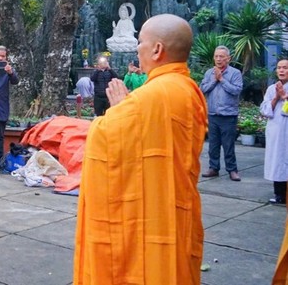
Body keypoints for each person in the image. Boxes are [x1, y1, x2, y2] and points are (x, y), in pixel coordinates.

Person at [73, 14, 208, 285]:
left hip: (150, 216)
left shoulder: (148, 97)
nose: (137, 48)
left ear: (157, 49)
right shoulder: (190, 90)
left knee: (148, 270)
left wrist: (120, 109)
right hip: (177, 205)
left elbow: (105, 141)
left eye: (141, 42)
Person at [200, 46, 244, 181]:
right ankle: (214, 168)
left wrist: (222, 80)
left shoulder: (235, 73)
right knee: (213, 144)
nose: (218, 59)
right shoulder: (209, 73)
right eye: (216, 56)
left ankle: (232, 170)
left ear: (228, 59)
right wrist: (215, 79)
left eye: (221, 56)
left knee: (228, 144)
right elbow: (202, 89)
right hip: (213, 114)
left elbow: (236, 90)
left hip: (228, 115)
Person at [262, 58, 288, 205]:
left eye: (285, 68)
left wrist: (284, 97)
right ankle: (279, 195)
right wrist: (276, 98)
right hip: (275, 130)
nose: (281, 70)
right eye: (279, 68)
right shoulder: (272, 88)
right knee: (276, 161)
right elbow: (265, 110)